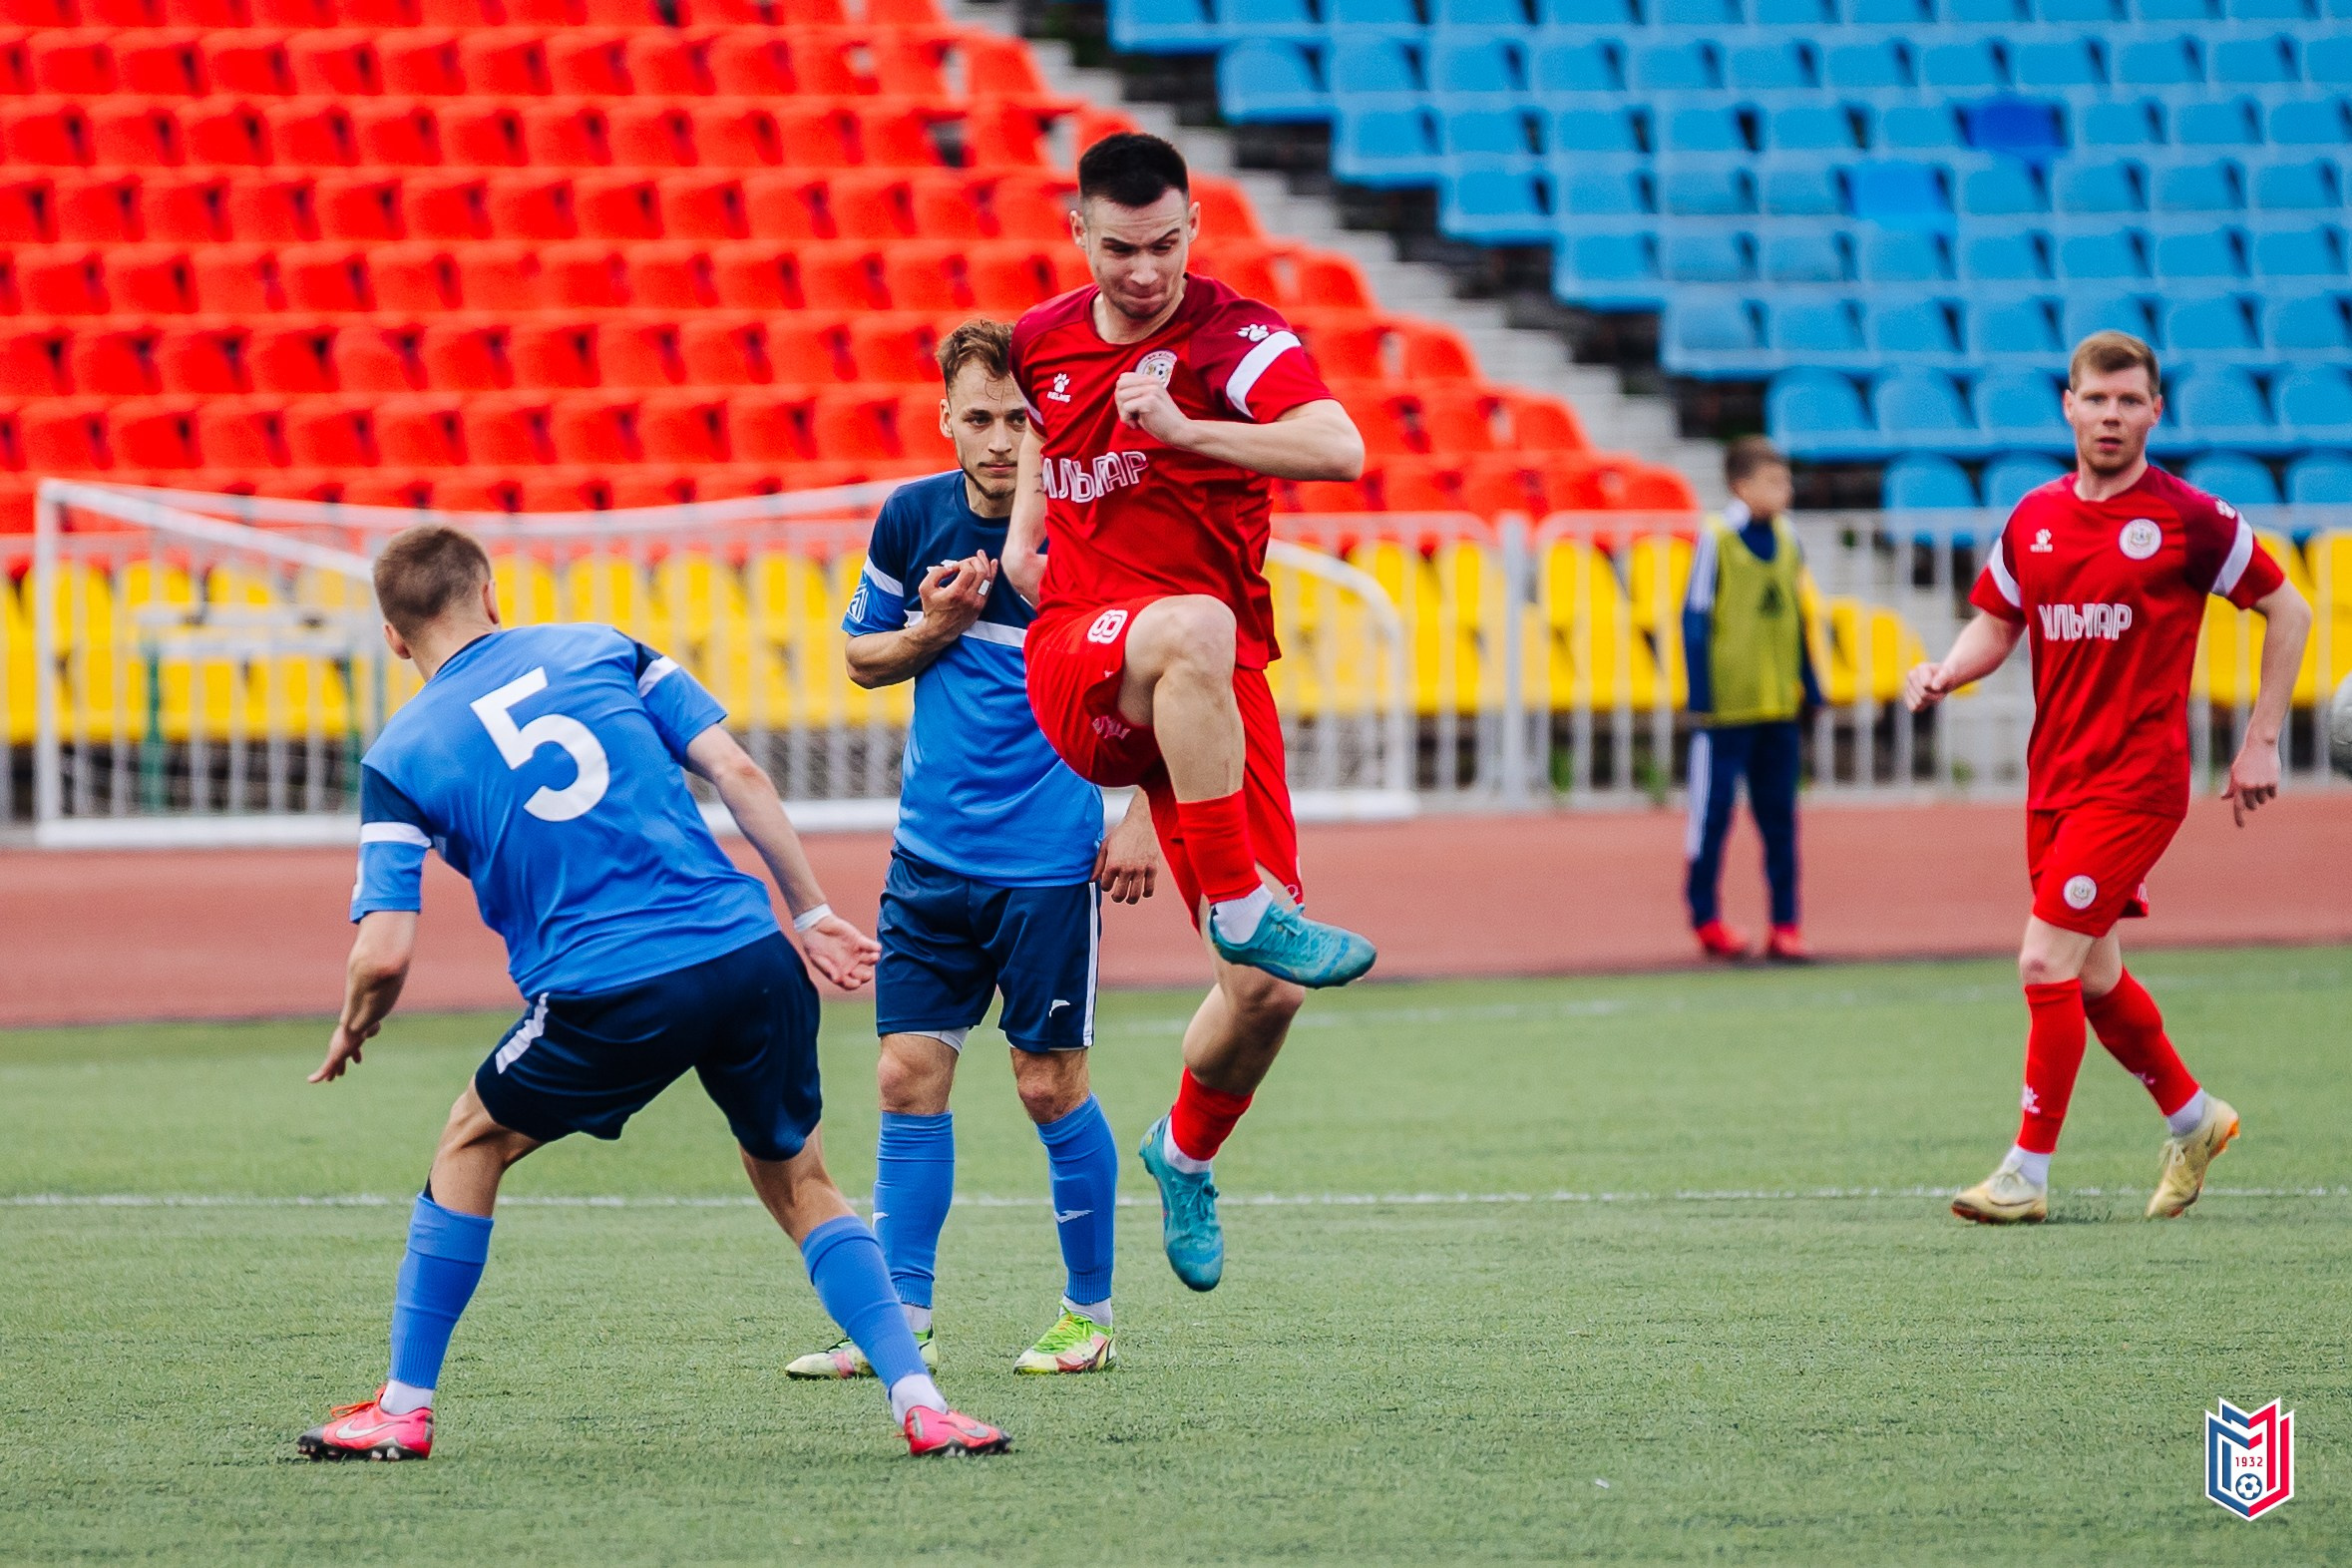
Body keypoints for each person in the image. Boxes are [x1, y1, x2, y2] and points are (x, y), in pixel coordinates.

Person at [295, 525, 1009, 1460]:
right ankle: (922, 1405)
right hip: (750, 955)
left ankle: (400, 1407)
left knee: (471, 1141)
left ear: (394, 638)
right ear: (492, 595)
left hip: (605, 989)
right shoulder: (603, 645)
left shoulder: (400, 755)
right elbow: (737, 770)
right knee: (802, 1184)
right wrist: (810, 913)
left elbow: (383, 956)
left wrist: (355, 1024)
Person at [1000, 132, 1377, 1294]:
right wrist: (1022, 540)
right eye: (1121, 248)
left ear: (1193, 228)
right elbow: (1037, 427)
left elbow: (1340, 446)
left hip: (1212, 697)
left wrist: (1188, 433)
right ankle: (1244, 901)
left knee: (1267, 993)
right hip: (1086, 657)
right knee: (1195, 621)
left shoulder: (1238, 338)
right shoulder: (1041, 338)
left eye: (1166, 244)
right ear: (1078, 233)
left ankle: (1185, 1153)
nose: (1145, 271)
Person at [786, 319, 1160, 1382]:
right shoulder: (911, 517)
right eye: (981, 417)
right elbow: (862, 659)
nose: (1002, 440)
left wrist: (1138, 809)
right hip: (928, 861)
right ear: (945, 419)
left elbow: (1158, 675)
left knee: (1047, 1086)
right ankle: (904, 1319)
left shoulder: (1089, 531)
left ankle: (1086, 1315)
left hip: (1047, 867)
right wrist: (929, 634)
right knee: (906, 1080)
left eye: (1022, 419)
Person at [1904, 331, 2311, 1225]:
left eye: (2131, 402)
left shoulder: (2188, 518)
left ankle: (2026, 1174)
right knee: (2090, 978)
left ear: (2155, 412)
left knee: (2043, 959)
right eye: (2098, 399)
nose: (2113, 416)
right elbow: (1997, 624)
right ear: (2070, 405)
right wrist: (1946, 670)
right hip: (2055, 778)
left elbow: (2291, 607)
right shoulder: (2035, 517)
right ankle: (2195, 1119)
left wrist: (2263, 739)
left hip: (2138, 782)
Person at [1681, 436, 1824, 964]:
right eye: (1773, 481)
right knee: (1712, 817)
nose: (1783, 491)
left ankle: (1785, 924)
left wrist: (1809, 685)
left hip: (1776, 709)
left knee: (1781, 820)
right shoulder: (1716, 539)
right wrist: (1701, 695)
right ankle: (1706, 919)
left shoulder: (1789, 539)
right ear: (1741, 486)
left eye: (1785, 481)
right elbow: (1694, 617)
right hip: (1726, 712)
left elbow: (1796, 615)